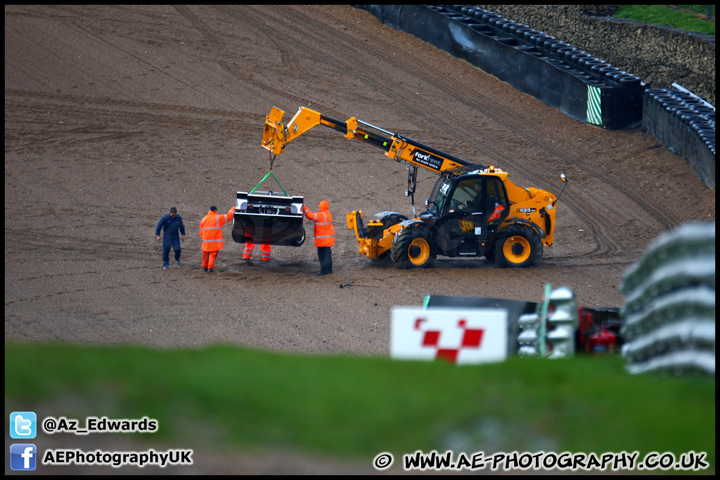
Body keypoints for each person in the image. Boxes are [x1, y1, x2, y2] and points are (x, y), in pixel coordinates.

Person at [199, 205, 235, 272]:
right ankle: (210, 268)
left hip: (205, 241)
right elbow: (228, 216)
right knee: (213, 255)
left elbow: (201, 232)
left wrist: (205, 237)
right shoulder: (219, 218)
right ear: (216, 211)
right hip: (214, 241)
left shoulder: (203, 219)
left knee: (205, 255)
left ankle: (204, 267)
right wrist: (234, 208)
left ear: (209, 210)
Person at [302, 200, 334, 275]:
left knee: (322, 256)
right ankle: (329, 270)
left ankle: (324, 271)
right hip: (328, 240)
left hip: (322, 240)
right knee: (328, 255)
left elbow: (311, 216)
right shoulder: (328, 214)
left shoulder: (321, 215)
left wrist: (304, 207)